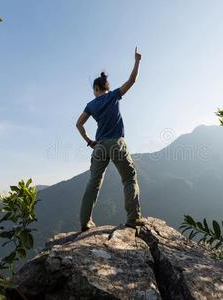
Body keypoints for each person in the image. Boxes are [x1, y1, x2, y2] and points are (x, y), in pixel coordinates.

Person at [76, 47, 144, 232]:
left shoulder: (91, 105)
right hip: (116, 143)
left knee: (93, 182)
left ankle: (85, 222)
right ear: (106, 87)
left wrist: (89, 141)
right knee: (129, 178)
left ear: (96, 89)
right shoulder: (114, 95)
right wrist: (137, 61)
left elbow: (79, 124)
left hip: (99, 146)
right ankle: (133, 219)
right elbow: (132, 81)